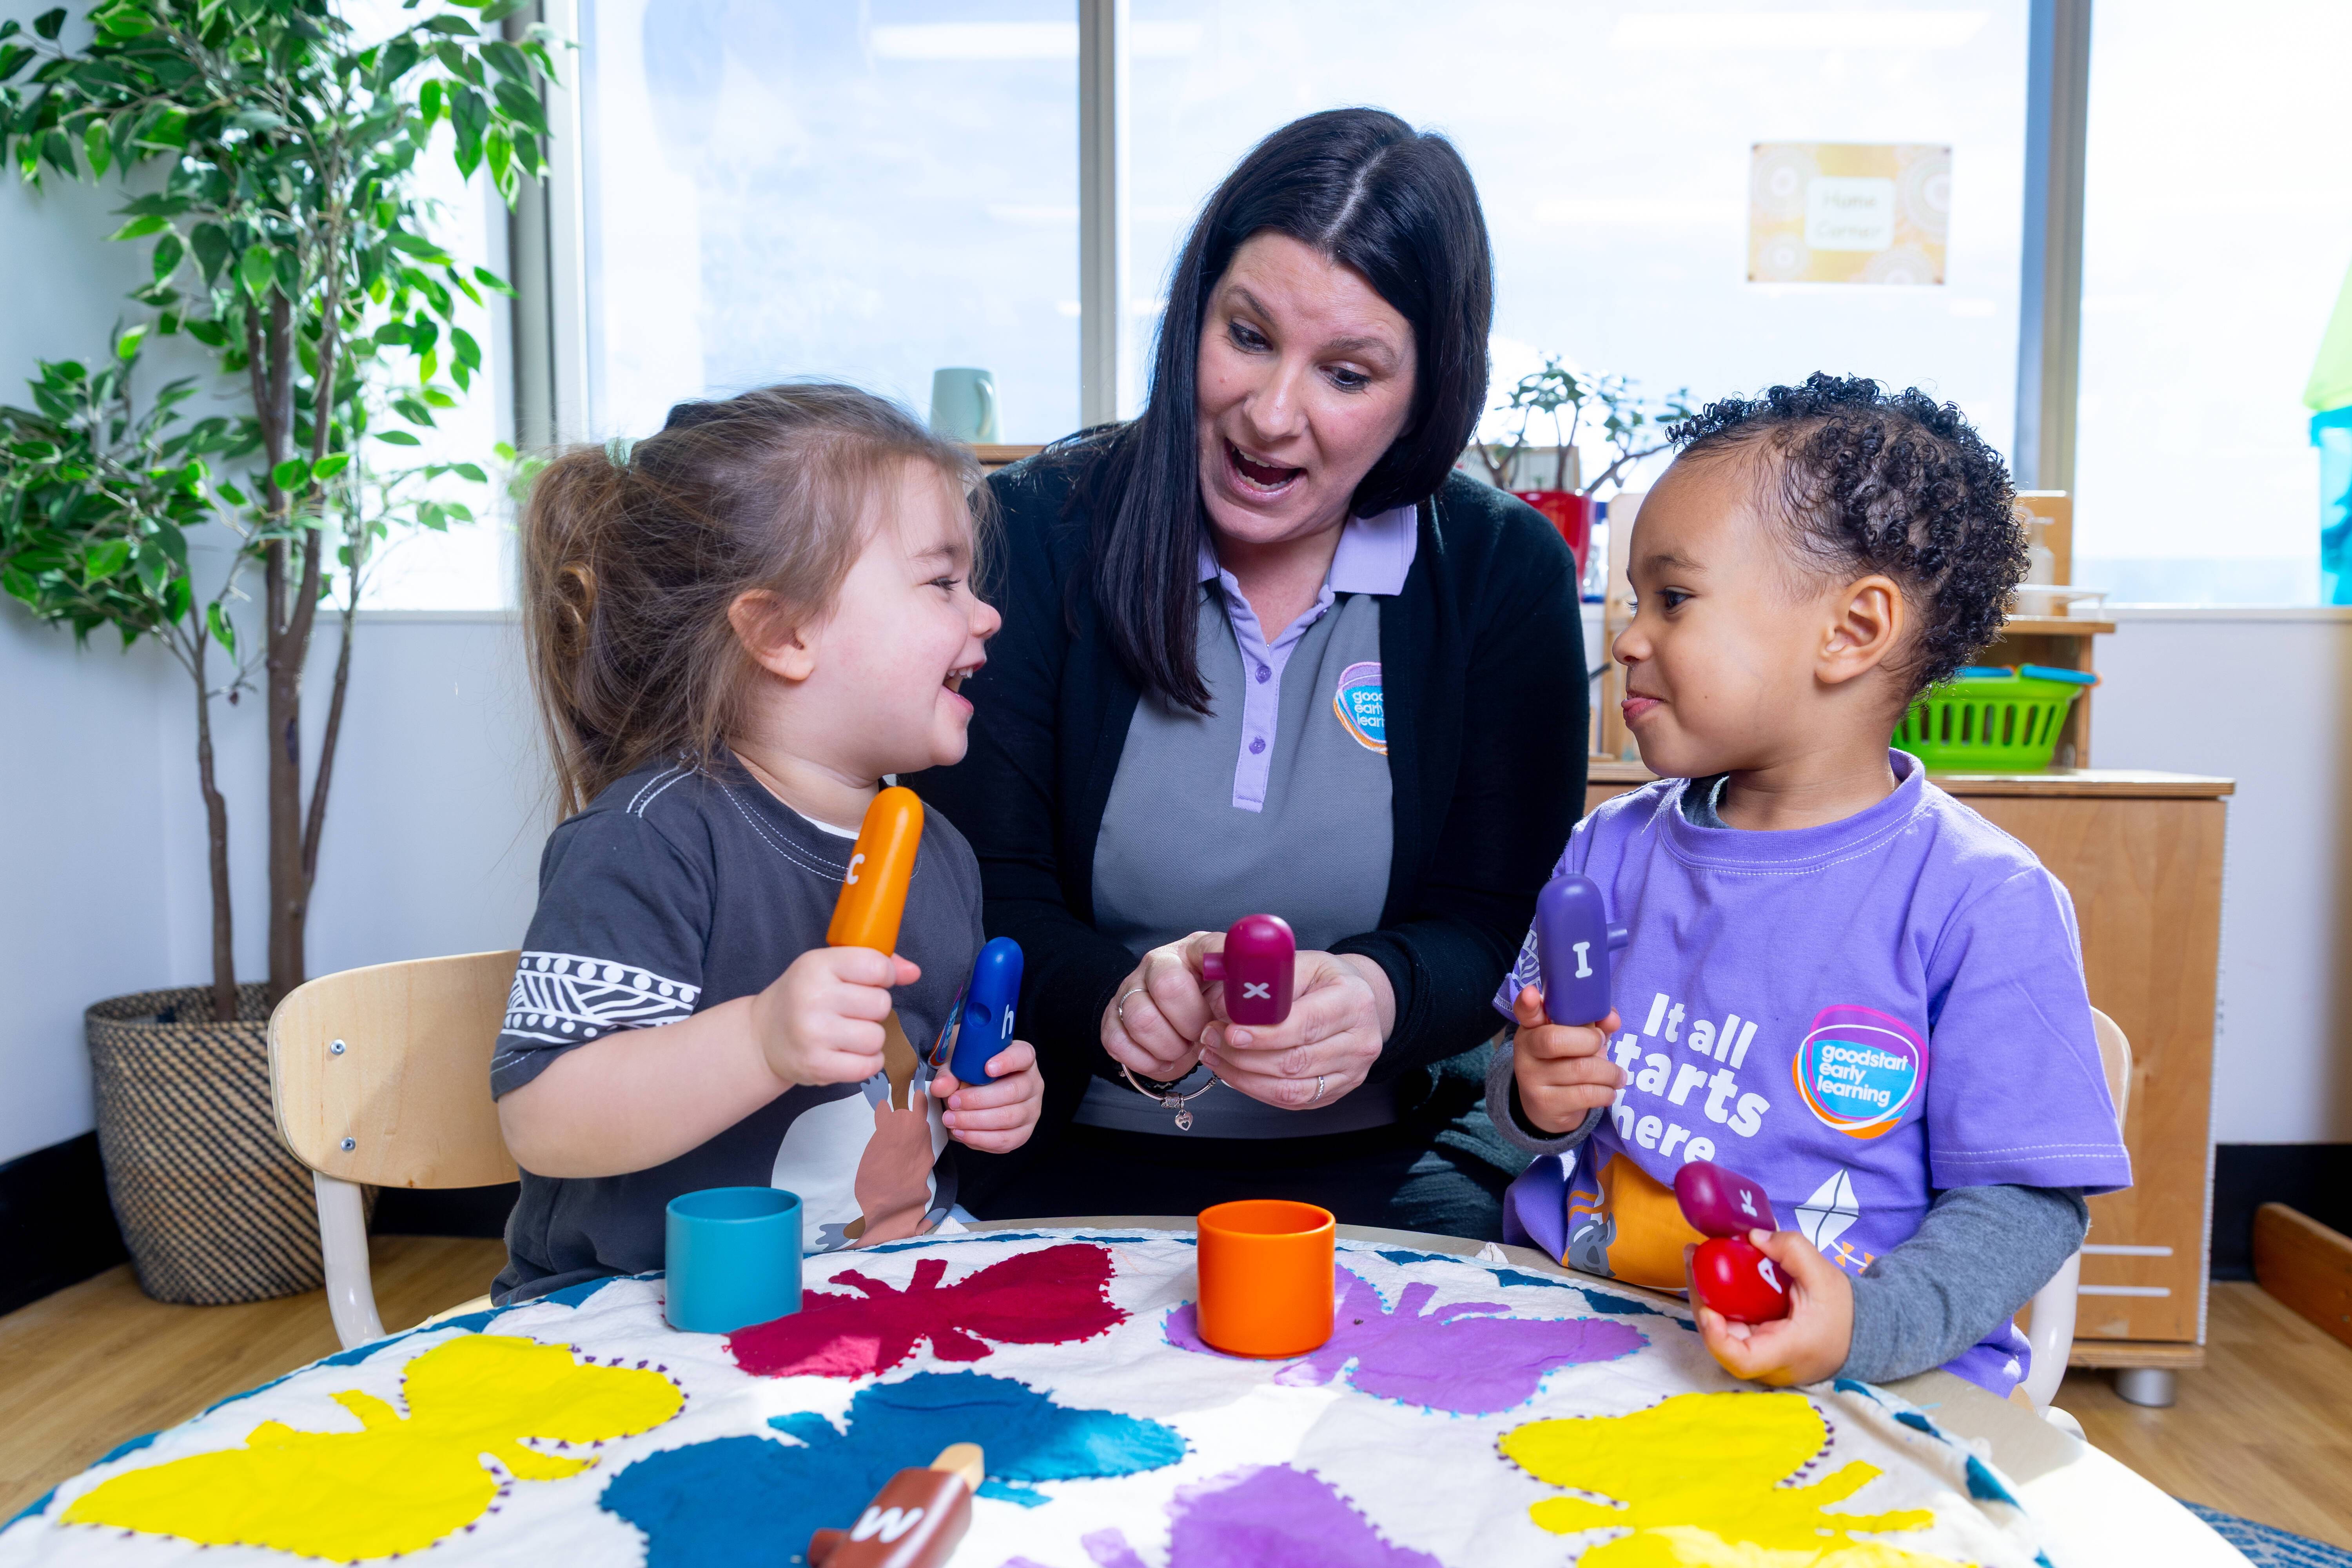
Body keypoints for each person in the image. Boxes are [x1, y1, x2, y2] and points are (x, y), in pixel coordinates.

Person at [912, 108, 1588, 1236]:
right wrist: (1118, 1000)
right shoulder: (1034, 533)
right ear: (1193, 318)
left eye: (1348, 373)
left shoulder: (1499, 574)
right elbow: (986, 886)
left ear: (1426, 393)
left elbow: (1491, 916)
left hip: (1394, 1173)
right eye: (1249, 335)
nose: (1272, 417)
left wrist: (1380, 994)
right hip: (1052, 1160)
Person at [1493, 374, 2132, 1399]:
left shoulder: (1983, 902)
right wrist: (1536, 1093)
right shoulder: (1606, 851)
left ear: (1851, 630)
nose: (1627, 638)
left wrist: (1864, 1328)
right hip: (1588, 1330)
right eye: (1629, 602)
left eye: (1674, 598)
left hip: (1867, 1379)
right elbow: (1530, 1109)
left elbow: (2026, 1208)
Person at [488, 385, 1045, 1303]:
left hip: (873, 1293)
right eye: (943, 581)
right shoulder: (649, 839)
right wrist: (758, 1038)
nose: (984, 615)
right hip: (643, 1321)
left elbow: (911, 1078)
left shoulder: (937, 850)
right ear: (784, 632)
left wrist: (987, 1094)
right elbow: (543, 1115)